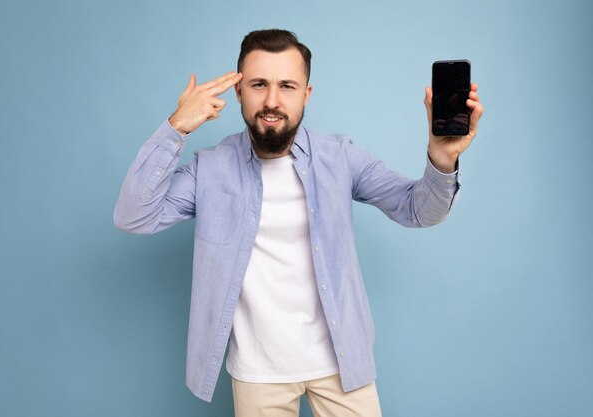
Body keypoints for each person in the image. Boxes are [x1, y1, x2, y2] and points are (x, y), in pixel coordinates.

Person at [114, 29, 483, 417]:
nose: (272, 100)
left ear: (306, 94)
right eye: (259, 84)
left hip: (342, 364)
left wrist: (442, 159)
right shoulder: (210, 169)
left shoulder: (340, 157)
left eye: (287, 86)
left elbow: (417, 210)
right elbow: (133, 216)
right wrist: (176, 129)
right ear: (239, 92)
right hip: (258, 373)